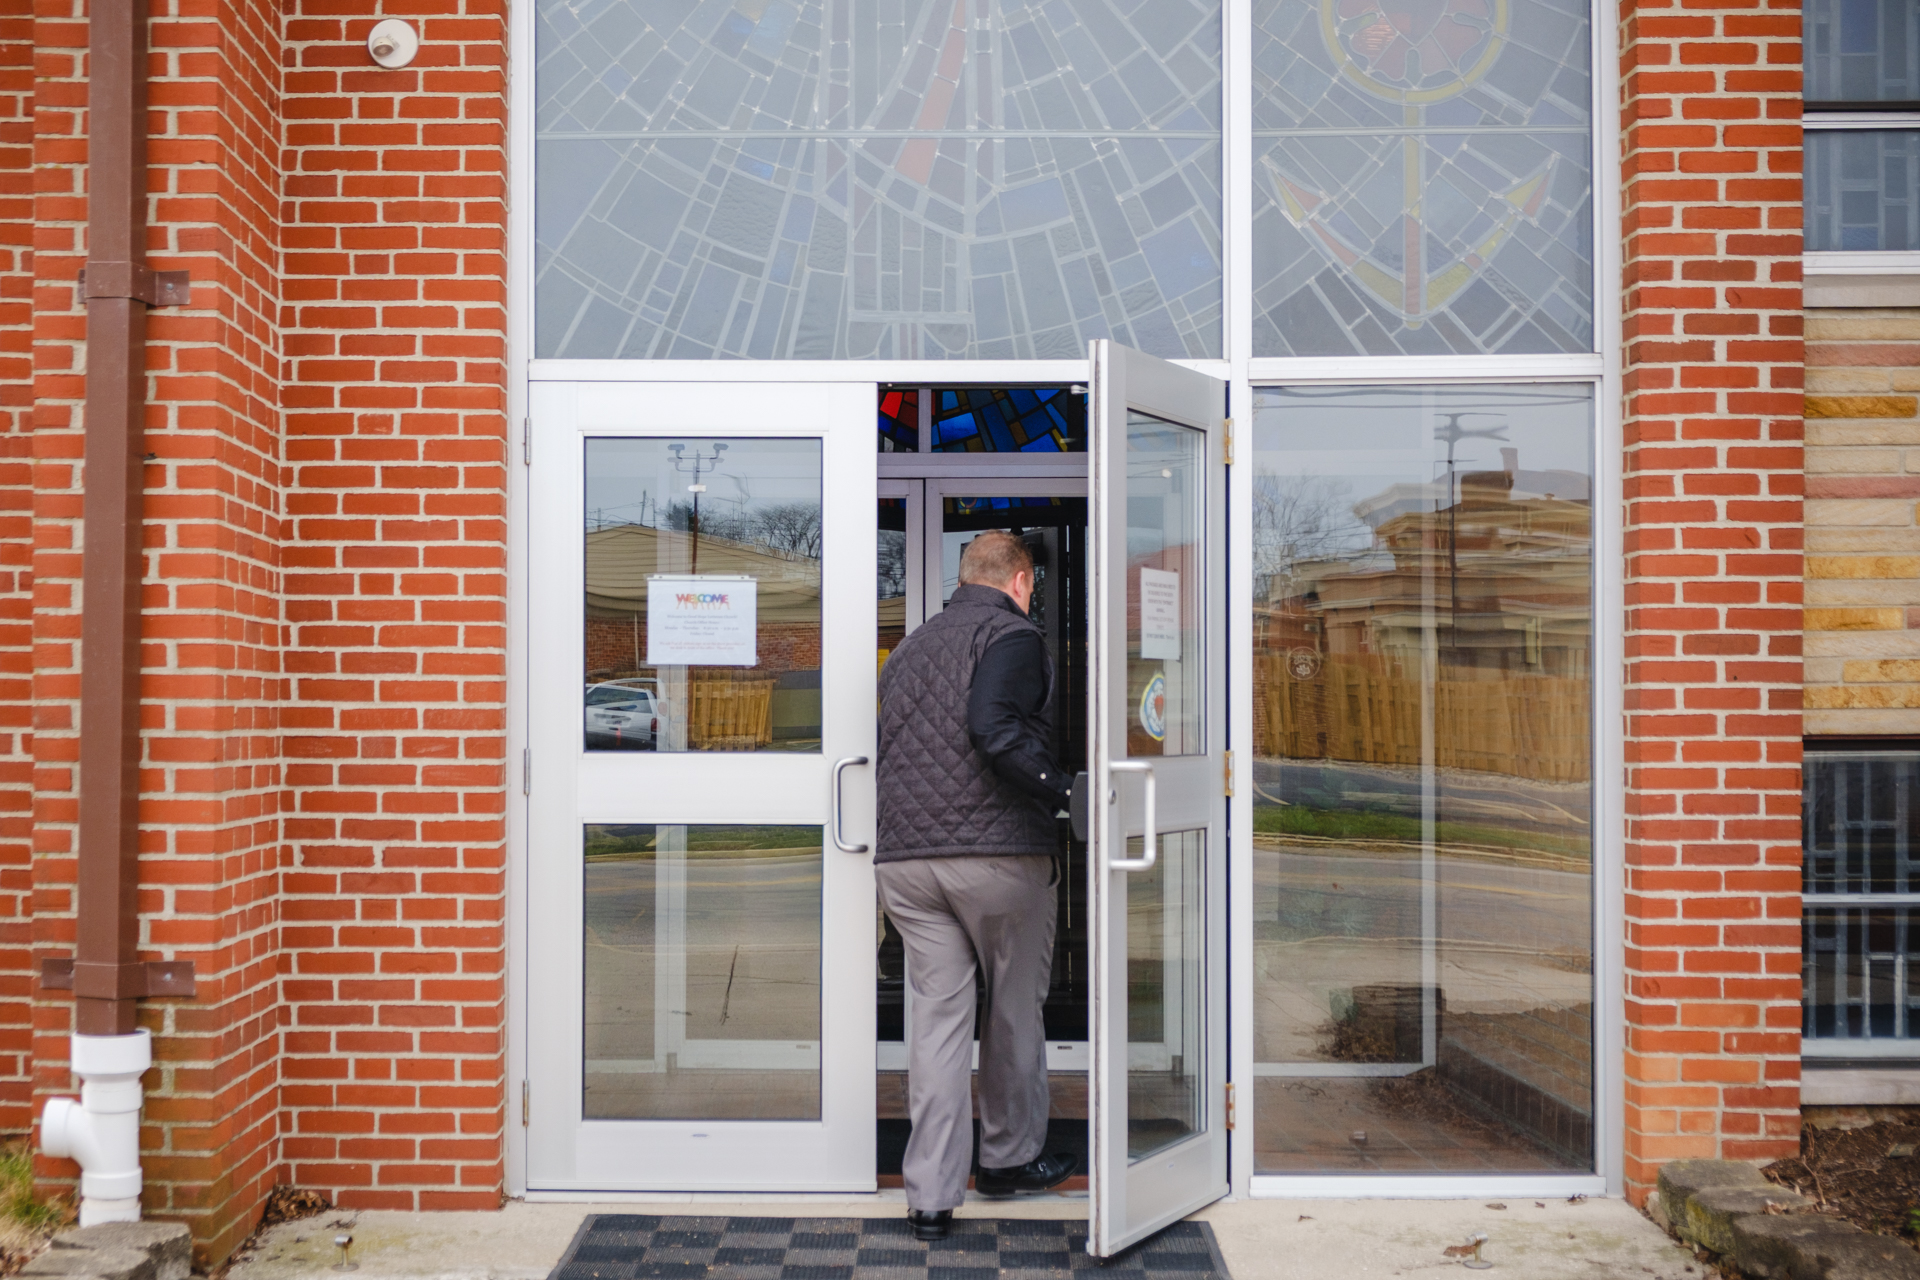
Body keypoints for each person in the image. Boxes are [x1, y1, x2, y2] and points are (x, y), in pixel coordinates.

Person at [875, 529, 1078, 1241]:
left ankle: (929, 1196)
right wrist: (1062, 793)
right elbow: (993, 729)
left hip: (905, 861)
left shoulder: (910, 647)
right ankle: (1007, 1159)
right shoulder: (1013, 637)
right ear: (1021, 583)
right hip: (994, 856)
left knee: (935, 1022)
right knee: (1014, 1008)